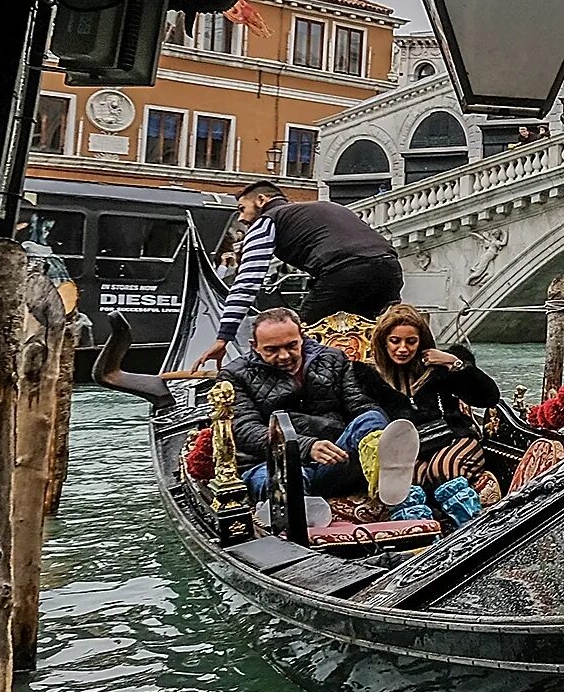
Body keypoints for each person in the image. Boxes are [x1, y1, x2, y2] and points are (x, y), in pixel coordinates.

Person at [223, 306, 416, 510]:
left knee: (371, 419)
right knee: (285, 481)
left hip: (335, 458)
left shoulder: (333, 359)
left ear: (302, 338)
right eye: (272, 350)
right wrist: (307, 447)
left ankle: (388, 476)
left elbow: (360, 405)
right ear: (254, 346)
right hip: (272, 463)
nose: (284, 356)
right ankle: (301, 520)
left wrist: (375, 432)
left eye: (291, 346)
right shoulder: (235, 375)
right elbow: (246, 430)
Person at [199, 181, 405, 366]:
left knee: (295, 337)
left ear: (262, 200)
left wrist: (223, 338)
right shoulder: (327, 208)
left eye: (242, 209)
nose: (242, 218)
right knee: (386, 335)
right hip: (390, 269)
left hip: (345, 272)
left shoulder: (267, 220)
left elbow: (247, 283)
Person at [354, 304, 506, 494]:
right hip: (409, 450)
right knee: (410, 479)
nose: (403, 349)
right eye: (395, 341)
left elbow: (488, 398)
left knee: (443, 468)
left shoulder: (440, 367)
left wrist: (453, 363)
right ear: (384, 342)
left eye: (411, 342)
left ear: (421, 342)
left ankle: (468, 520)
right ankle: (423, 520)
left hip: (454, 438)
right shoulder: (367, 377)